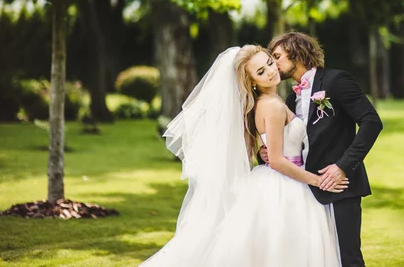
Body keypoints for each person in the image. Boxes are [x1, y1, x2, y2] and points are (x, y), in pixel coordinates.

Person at [141, 45, 344, 267]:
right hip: (287, 184)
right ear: (252, 82)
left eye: (268, 62)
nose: (271, 70)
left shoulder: (267, 103)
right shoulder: (273, 107)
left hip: (280, 179)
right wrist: (316, 180)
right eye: (260, 72)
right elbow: (276, 160)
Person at [260, 32, 383, 267]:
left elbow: (371, 122)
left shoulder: (337, 81)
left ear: (297, 51)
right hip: (303, 189)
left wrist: (343, 167)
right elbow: (289, 141)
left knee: (347, 258)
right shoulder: (289, 99)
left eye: (276, 56)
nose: (273, 65)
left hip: (340, 185)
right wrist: (262, 154)